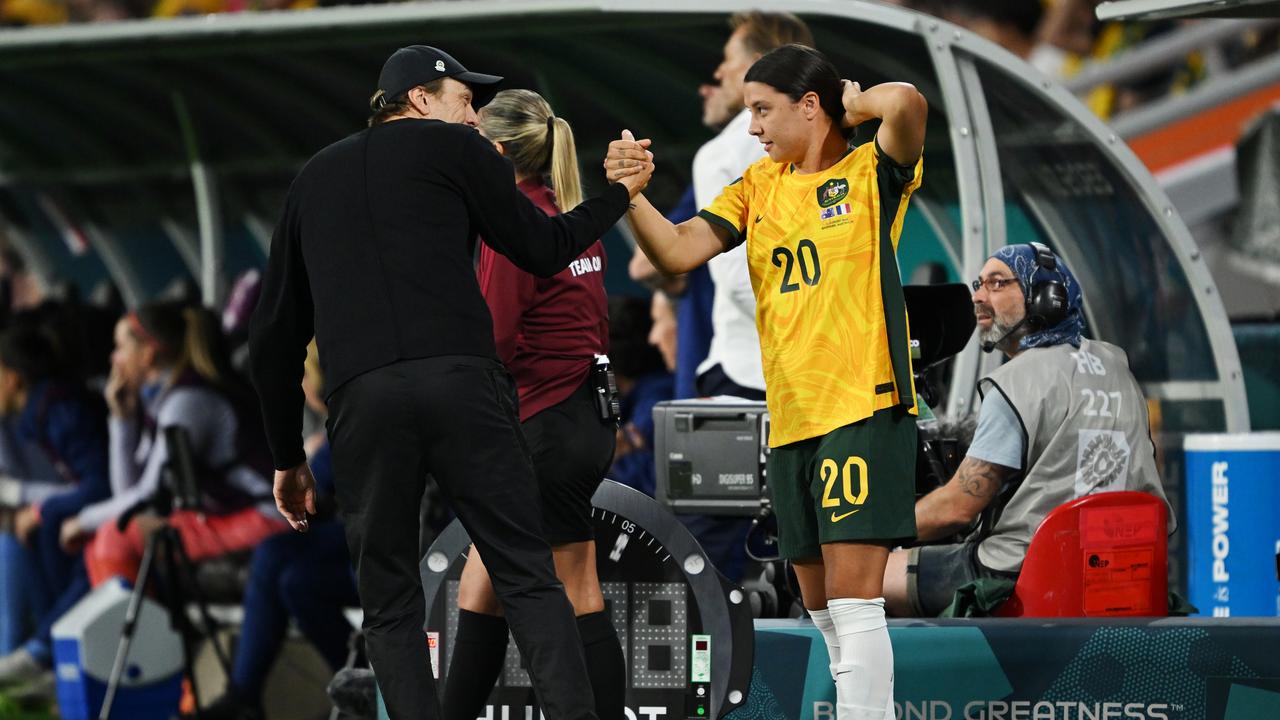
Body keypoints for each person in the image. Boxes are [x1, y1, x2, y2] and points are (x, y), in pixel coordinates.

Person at [247, 45, 652, 720]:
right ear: (419, 99)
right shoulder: (462, 154)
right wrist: (617, 194)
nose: (473, 119)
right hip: (464, 385)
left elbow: (274, 334)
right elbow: (546, 248)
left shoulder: (312, 178)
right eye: (464, 101)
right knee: (527, 574)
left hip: (363, 397)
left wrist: (288, 455)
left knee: (390, 601)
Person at [607, 42, 927, 719]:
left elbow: (905, 103)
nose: (752, 127)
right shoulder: (760, 185)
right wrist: (630, 199)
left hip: (861, 405)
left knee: (855, 601)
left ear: (811, 106)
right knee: (821, 609)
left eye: (763, 110)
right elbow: (677, 250)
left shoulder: (870, 171)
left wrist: (853, 103)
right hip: (792, 416)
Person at [442, 89, 624, 720]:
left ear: (492, 152)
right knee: (516, 581)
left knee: (527, 583)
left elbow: (493, 340)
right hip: (586, 418)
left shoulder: (513, 221)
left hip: (542, 421)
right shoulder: (562, 213)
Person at [882, 243, 1175, 617]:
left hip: (1026, 570)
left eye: (997, 284)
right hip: (1118, 570)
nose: (978, 297)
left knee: (858, 579)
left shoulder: (1017, 381)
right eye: (978, 284)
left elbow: (957, 509)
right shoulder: (1117, 367)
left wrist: (878, 528)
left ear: (1046, 299)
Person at [201, 342, 357, 720]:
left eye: (304, 375)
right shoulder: (335, 424)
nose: (300, 386)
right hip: (366, 542)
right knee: (295, 582)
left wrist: (311, 452)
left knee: (276, 555)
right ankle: (360, 687)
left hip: (407, 546)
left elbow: (307, 492)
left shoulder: (352, 415)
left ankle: (244, 697)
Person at [0, 325, 108, 696]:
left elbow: (101, 484)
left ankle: (44, 647)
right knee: (31, 530)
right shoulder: (41, 411)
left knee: (48, 529)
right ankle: (51, 651)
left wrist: (43, 509)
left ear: (12, 378)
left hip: (118, 514)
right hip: (93, 512)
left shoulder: (61, 409)